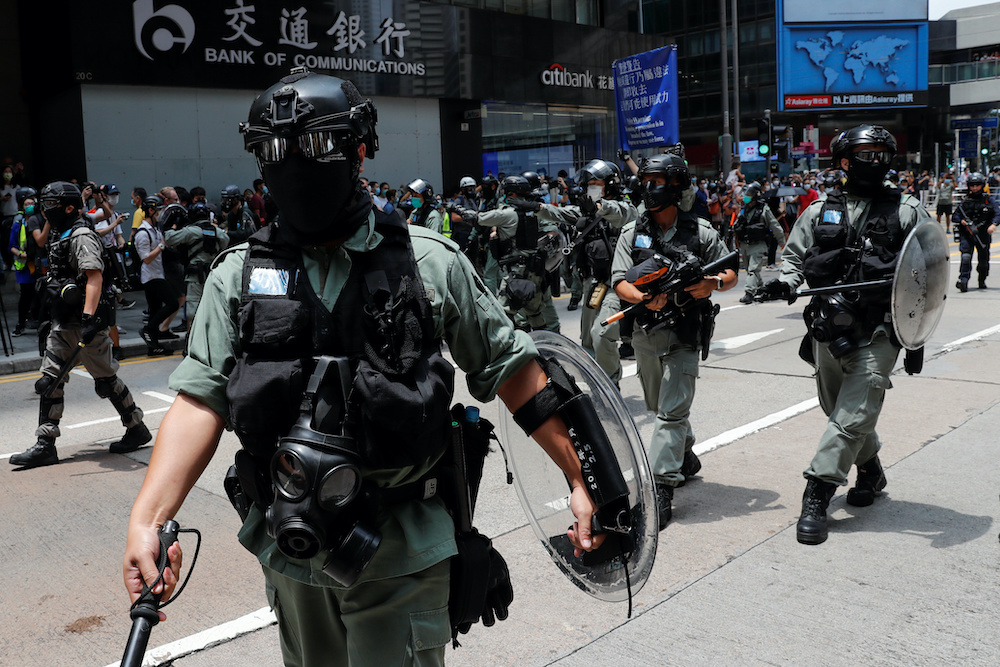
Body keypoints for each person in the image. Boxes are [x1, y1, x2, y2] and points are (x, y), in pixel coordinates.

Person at [122, 68, 605, 667]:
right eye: (276, 150)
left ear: (359, 150)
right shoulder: (237, 276)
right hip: (293, 545)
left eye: (319, 144)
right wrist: (148, 519)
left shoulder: (429, 263)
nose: (297, 163)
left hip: (401, 547)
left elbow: (516, 374)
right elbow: (201, 401)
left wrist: (581, 480)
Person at [757, 124, 932, 545]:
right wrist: (785, 281)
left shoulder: (907, 210)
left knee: (853, 413)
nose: (875, 162)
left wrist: (916, 336)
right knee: (837, 407)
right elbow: (795, 257)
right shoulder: (819, 210)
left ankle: (817, 492)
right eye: (865, 154)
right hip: (827, 326)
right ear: (844, 161)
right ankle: (870, 470)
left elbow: (930, 274)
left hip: (878, 331)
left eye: (882, 154)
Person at [611, 153, 737, 528]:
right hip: (646, 333)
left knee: (670, 413)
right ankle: (686, 455)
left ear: (677, 185)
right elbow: (619, 280)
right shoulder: (632, 232)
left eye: (658, 181)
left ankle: (661, 488)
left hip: (684, 333)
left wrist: (710, 285)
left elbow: (731, 272)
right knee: (658, 404)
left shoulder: (700, 232)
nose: (649, 188)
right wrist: (643, 297)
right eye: (646, 181)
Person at [9, 182, 150, 469]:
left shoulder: (81, 235)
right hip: (62, 321)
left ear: (69, 207)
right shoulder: (61, 233)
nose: (44, 209)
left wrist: (88, 319)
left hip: (85, 324)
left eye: (50, 204)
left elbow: (94, 277)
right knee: (49, 380)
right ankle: (45, 444)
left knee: (107, 381)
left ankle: (136, 428)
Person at [534, 158, 638, 382]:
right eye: (588, 182)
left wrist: (599, 206)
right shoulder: (586, 210)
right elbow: (558, 214)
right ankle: (597, 384)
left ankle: (612, 382)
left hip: (617, 284)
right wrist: (537, 207)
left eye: (596, 182)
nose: (591, 186)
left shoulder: (625, 207)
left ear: (610, 183)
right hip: (594, 283)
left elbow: (620, 213)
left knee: (601, 335)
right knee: (587, 341)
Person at [451, 174, 562, 332]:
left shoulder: (507, 214)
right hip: (534, 272)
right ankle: (545, 349)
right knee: (535, 314)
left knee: (502, 314)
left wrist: (455, 208)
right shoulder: (534, 212)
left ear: (512, 194)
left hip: (515, 273)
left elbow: (475, 218)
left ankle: (506, 351)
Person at [163, 201, 228, 328]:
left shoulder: (191, 231)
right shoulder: (217, 232)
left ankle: (192, 343)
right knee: (213, 310)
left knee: (193, 313)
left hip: (194, 278)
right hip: (212, 277)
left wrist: (174, 225)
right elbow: (226, 241)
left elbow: (169, 238)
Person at [133, 195, 178, 356]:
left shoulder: (155, 229)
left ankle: (154, 346)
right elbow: (146, 258)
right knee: (173, 303)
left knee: (155, 310)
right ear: (150, 210)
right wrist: (161, 245)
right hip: (151, 277)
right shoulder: (142, 233)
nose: (160, 213)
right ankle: (148, 329)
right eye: (158, 210)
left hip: (158, 273)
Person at [733, 182, 785, 304]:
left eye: (749, 194)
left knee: (753, 269)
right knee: (750, 270)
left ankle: (749, 293)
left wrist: (782, 242)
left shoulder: (763, 210)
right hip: (745, 244)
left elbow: (775, 226)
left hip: (758, 244)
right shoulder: (744, 210)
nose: (746, 196)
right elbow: (738, 226)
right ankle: (761, 288)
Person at [952, 172, 999, 291]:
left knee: (983, 261)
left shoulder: (988, 200)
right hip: (967, 234)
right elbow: (955, 216)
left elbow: (997, 214)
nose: (974, 188)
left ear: (982, 185)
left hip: (983, 234)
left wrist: (993, 225)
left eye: (977, 185)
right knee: (966, 257)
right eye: (972, 185)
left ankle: (982, 280)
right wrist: (962, 221)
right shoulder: (965, 200)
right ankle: (963, 280)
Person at [9, 187, 38, 336]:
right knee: (26, 296)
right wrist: (22, 255)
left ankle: (40, 322)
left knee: (41, 294)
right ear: (21, 205)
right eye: (27, 203)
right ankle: (20, 324)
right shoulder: (18, 223)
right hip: (25, 266)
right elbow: (11, 246)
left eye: (32, 202)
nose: (30, 206)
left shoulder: (40, 220)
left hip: (39, 264)